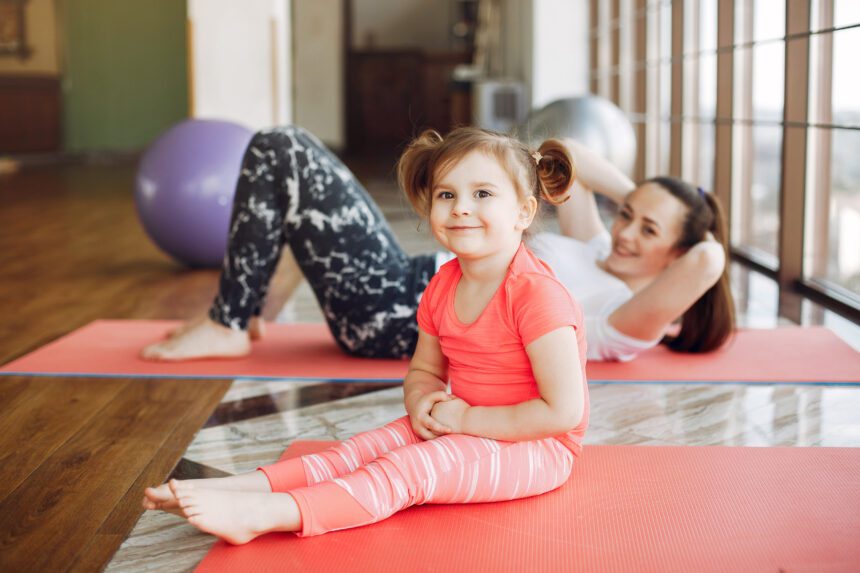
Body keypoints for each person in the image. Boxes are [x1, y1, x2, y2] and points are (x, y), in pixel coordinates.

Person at [142, 126, 588, 544]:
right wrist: (423, 402)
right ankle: (240, 489)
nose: (461, 208)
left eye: (483, 194)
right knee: (359, 449)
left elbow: (563, 412)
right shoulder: (443, 284)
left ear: (524, 212)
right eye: (446, 194)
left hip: (537, 447)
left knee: (407, 469)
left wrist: (467, 421)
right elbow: (425, 370)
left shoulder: (536, 295)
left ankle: (266, 515)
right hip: (463, 424)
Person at [141, 125, 733, 364]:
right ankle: (236, 314)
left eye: (648, 231)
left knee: (283, 149)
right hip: (408, 279)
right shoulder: (594, 243)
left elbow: (710, 259)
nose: (626, 231)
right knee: (282, 149)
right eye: (626, 215)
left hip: (396, 315)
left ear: (676, 255)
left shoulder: (629, 321)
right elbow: (567, 153)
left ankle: (226, 320)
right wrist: (650, 197)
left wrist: (686, 228)